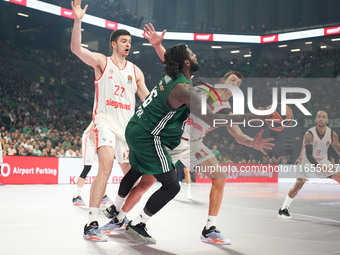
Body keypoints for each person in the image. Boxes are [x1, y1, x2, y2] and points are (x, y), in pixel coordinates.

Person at [143, 24, 274, 244]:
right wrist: (158, 45)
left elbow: (239, 136)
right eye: (233, 81)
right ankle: (124, 216)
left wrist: (253, 143)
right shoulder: (200, 86)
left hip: (193, 143)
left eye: (239, 84)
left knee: (220, 177)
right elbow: (173, 66)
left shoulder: (228, 111)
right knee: (145, 182)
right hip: (171, 139)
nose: (235, 85)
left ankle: (209, 228)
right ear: (222, 81)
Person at [70, 0, 154, 242]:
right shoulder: (101, 62)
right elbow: (77, 50)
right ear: (114, 44)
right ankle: (91, 223)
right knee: (105, 165)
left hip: (127, 129)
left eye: (130, 42)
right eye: (124, 41)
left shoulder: (136, 71)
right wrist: (78, 21)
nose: (128, 44)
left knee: (137, 178)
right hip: (104, 121)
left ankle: (119, 215)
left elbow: (147, 100)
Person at [278, 111, 340, 218]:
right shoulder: (309, 134)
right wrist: (318, 166)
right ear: (315, 120)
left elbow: (338, 149)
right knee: (299, 183)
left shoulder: (332, 134)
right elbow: (309, 154)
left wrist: (321, 164)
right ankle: (283, 209)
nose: (321, 119)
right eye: (319, 117)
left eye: (323, 117)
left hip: (323, 160)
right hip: (306, 160)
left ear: (327, 120)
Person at [72, 121, 113, 207]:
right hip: (89, 140)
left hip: (99, 141)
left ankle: (102, 195)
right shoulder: (100, 114)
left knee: (103, 167)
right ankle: (77, 196)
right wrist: (96, 145)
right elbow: (92, 130)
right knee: (87, 168)